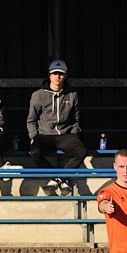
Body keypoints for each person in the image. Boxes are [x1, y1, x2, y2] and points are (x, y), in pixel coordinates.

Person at [27, 59, 86, 196]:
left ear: (65, 76)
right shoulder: (38, 95)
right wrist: (33, 137)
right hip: (44, 134)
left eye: (61, 74)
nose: (57, 77)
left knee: (81, 150)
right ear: (49, 75)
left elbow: (75, 119)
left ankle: (58, 179)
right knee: (34, 152)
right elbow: (31, 119)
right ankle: (59, 179)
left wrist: (74, 134)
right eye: (54, 73)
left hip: (65, 134)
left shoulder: (72, 95)